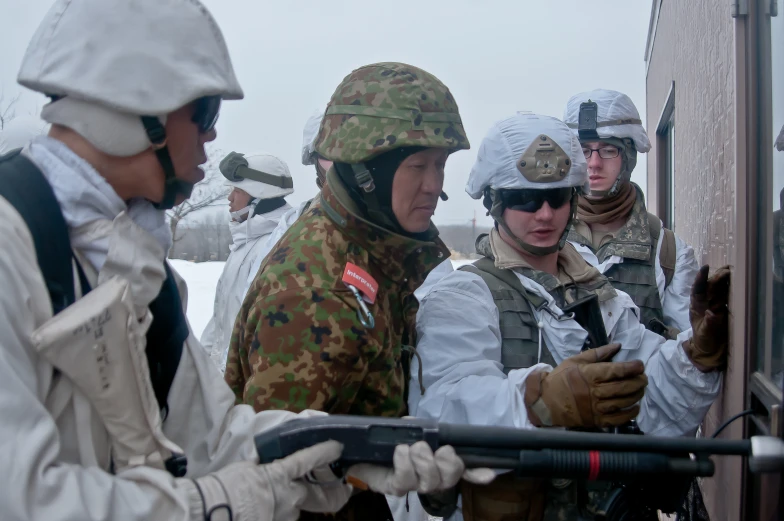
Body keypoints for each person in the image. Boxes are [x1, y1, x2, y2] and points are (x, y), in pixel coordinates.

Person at [0, 2, 484, 520]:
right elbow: (22, 499)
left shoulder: (135, 268)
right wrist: (219, 503)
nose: (211, 135)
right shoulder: (14, 251)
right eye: (203, 111)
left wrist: (351, 451)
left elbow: (212, 437)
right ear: (133, 113)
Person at [409, 112, 731, 520]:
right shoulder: (464, 295)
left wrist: (695, 353)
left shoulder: (592, 291)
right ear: (495, 203)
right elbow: (442, 412)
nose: (545, 214)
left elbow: (650, 396)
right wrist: (542, 401)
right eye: (525, 199)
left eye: (558, 197)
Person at [225, 61, 490, 520]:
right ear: (367, 172)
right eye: (417, 166)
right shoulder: (316, 295)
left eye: (440, 165)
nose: (434, 185)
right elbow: (270, 481)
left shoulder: (364, 247)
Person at [562, 89, 699, 340]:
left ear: (629, 157)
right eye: (584, 150)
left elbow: (689, 364)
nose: (593, 163)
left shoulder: (667, 252)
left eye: (607, 150)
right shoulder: (546, 238)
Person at [201, 152, 295, 371]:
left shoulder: (278, 245)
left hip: (249, 378)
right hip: (226, 377)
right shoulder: (245, 242)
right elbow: (222, 318)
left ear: (258, 196)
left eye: (238, 191)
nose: (230, 198)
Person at [241, 110, 333, 298]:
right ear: (314, 159)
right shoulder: (293, 225)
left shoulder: (400, 216)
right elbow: (253, 298)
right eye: (329, 153)